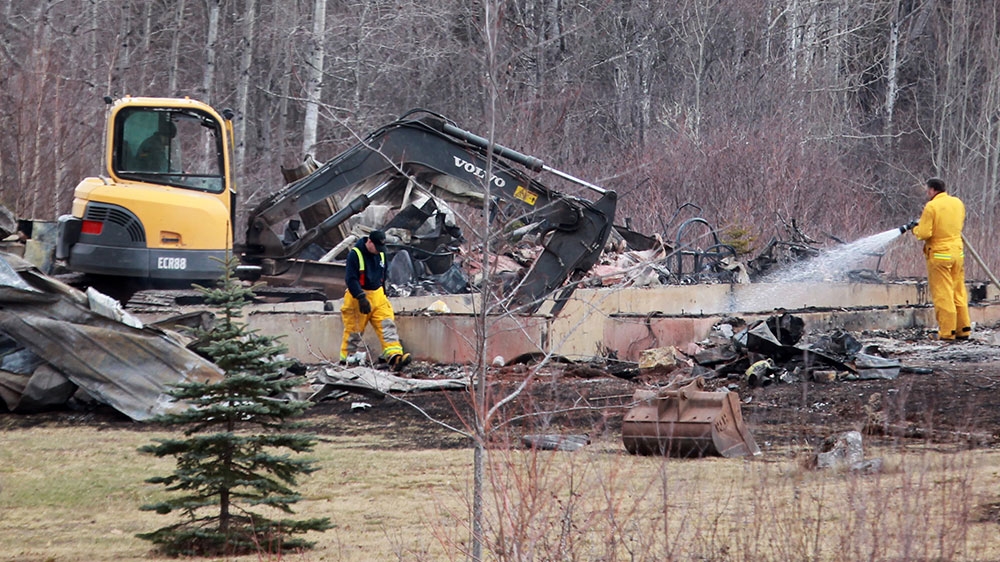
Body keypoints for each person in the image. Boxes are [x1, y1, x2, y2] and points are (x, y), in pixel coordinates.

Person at [906, 177, 971, 342]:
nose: (927, 193)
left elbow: (924, 233)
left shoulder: (931, 206)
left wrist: (915, 229)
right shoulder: (957, 203)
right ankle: (963, 329)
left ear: (933, 190)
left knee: (943, 294)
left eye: (928, 190)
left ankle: (947, 332)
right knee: (958, 291)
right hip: (958, 253)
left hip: (940, 255)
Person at [340, 230, 412, 370]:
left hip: (378, 295)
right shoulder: (355, 254)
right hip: (358, 296)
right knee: (354, 331)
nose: (379, 251)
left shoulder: (381, 254)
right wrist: (361, 297)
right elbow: (351, 279)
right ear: (369, 242)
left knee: (387, 325)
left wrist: (383, 294)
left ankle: (394, 357)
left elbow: (383, 275)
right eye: (377, 248)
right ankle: (346, 361)